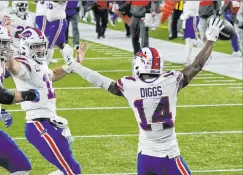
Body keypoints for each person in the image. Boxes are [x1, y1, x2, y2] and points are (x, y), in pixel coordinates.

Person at [63, 18, 225, 175]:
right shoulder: (171, 81)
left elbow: (100, 80)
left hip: (145, 157)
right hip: (168, 157)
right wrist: (210, 40)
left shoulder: (130, 85)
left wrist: (74, 65)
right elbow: (196, 65)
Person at [5, 28, 83, 175]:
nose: (40, 49)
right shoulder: (25, 62)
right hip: (39, 125)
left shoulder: (39, 63)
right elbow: (13, 67)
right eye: (36, 46)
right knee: (71, 170)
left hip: (51, 122)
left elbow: (52, 74)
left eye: (42, 45)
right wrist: (9, 47)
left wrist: (75, 64)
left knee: (71, 169)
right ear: (25, 47)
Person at [0, 23, 40, 175]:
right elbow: (0, 95)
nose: (6, 47)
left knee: (21, 166)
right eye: (2, 43)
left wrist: (0, 111)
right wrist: (28, 94)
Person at [180, 1, 202, 65]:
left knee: (194, 39)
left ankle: (207, 54)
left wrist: (187, 14)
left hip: (192, 17)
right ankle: (187, 59)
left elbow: (194, 8)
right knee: (188, 40)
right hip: (186, 18)